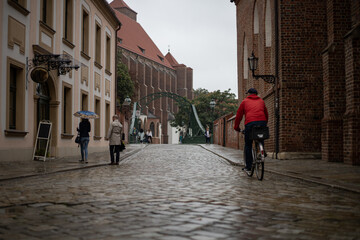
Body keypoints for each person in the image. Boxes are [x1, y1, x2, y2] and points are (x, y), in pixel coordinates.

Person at [234, 88, 268, 172]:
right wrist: (264, 124)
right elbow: (266, 114)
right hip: (262, 122)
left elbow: (239, 116)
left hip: (250, 123)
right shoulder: (261, 101)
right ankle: (261, 150)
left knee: (248, 145)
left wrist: (236, 127)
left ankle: (248, 167)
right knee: (260, 137)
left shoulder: (245, 101)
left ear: (249, 94)